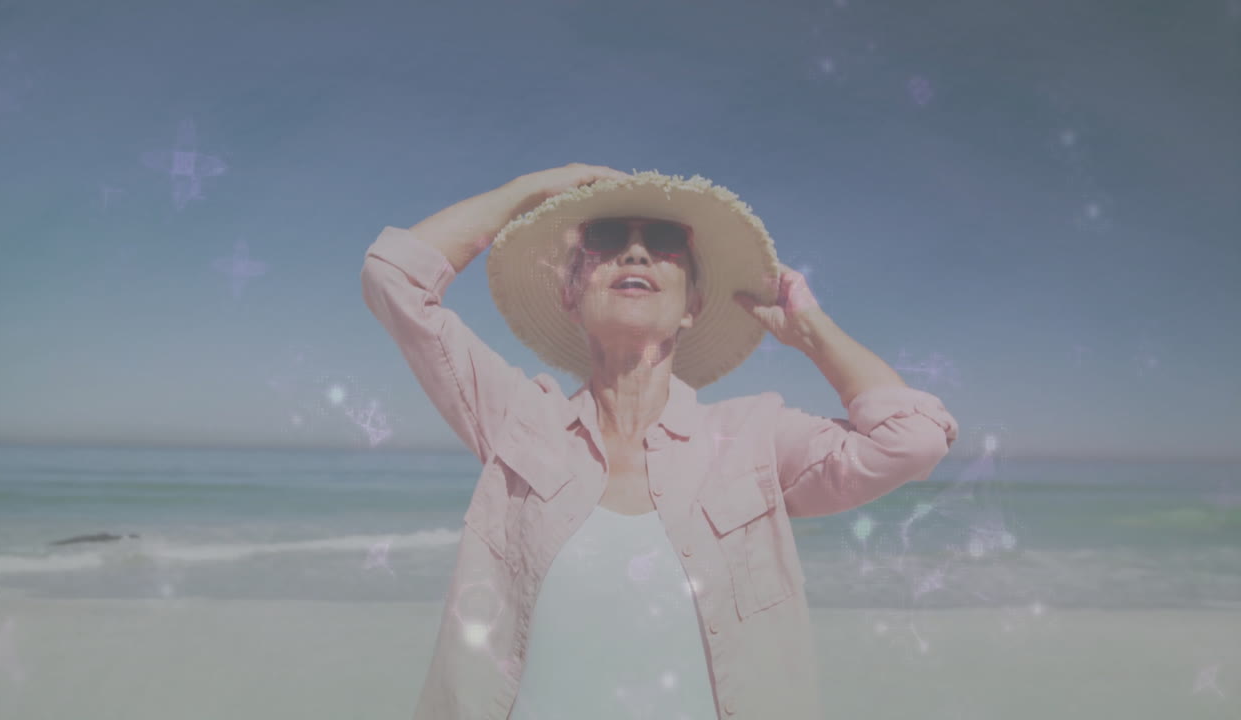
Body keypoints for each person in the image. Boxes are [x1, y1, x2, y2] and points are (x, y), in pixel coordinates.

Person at [361, 164, 960, 719]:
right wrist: (535, 189)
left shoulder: (753, 438)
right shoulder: (522, 423)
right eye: (607, 236)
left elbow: (913, 442)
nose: (636, 250)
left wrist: (812, 332)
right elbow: (393, 276)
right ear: (570, 296)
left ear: (691, 306)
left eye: (664, 242)